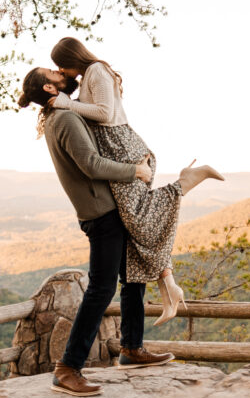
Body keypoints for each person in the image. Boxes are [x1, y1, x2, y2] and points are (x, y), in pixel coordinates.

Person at [17, 67, 214, 396]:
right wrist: (134, 171)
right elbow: (91, 163)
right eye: (53, 73)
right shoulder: (63, 120)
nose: (60, 72)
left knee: (133, 274)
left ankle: (131, 348)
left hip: (107, 209)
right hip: (101, 213)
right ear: (50, 88)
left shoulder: (62, 113)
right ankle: (67, 368)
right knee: (101, 289)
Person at [48, 36, 223, 325]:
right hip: (115, 146)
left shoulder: (97, 71)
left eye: (60, 66)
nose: (61, 71)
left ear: (70, 59)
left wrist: (68, 103)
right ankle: (169, 287)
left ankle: (186, 182)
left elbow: (104, 113)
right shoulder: (90, 75)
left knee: (139, 218)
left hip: (121, 146)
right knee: (135, 225)